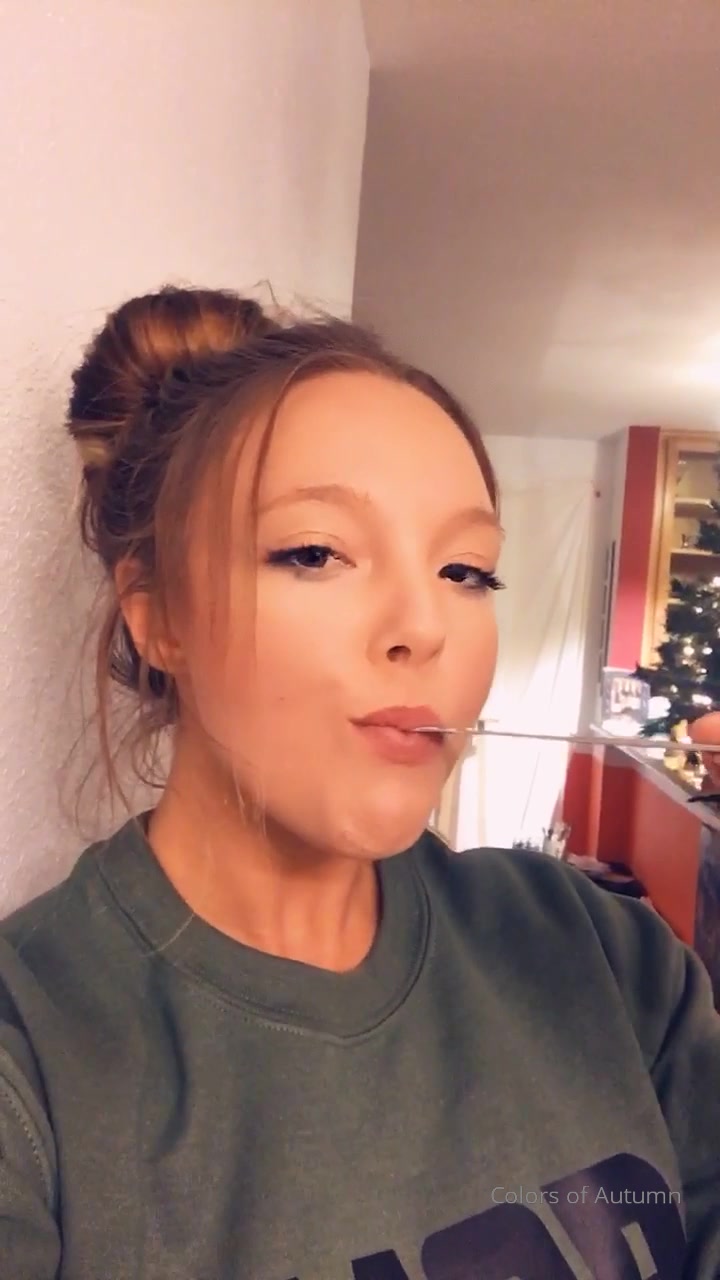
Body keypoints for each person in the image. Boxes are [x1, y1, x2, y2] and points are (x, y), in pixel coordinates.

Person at [0, 287, 718, 1280]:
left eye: (467, 571)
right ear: (157, 613)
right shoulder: (33, 1063)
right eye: (314, 552)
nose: (425, 625)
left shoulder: (605, 953)